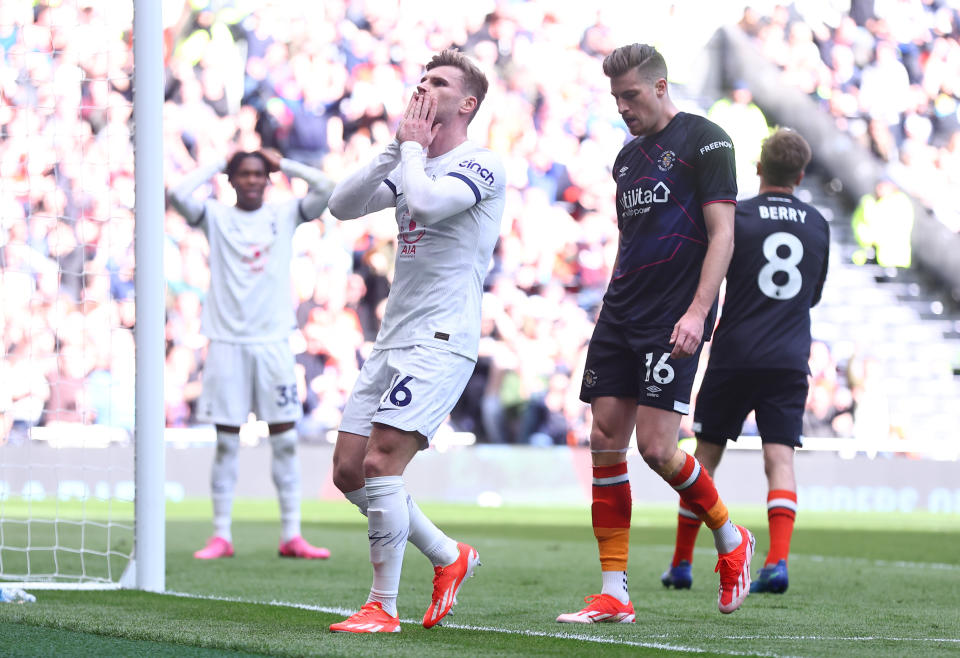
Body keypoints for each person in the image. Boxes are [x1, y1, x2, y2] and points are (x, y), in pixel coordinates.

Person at [556, 43, 754, 623]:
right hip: (621, 313)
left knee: (658, 448)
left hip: (673, 315)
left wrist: (698, 312)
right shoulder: (626, 159)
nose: (622, 107)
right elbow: (633, 242)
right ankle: (614, 591)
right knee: (604, 440)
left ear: (661, 86)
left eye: (632, 95)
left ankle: (730, 536)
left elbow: (722, 235)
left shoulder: (707, 141)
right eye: (616, 97)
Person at [325, 49, 505, 633]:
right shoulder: (410, 160)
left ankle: (382, 604)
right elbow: (341, 205)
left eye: (439, 81)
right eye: (422, 78)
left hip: (442, 337)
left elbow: (427, 201)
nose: (424, 86)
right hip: (393, 338)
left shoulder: (480, 165)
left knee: (381, 461)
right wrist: (394, 146)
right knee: (349, 470)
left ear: (467, 103)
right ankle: (450, 557)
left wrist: (410, 152)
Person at [661, 128, 829, 594]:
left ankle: (680, 564)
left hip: (735, 352)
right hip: (789, 356)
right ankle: (777, 562)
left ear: (759, 168)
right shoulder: (817, 222)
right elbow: (812, 295)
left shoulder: (740, 217)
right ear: (800, 173)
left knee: (705, 458)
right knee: (779, 459)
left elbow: (712, 271)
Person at [168, 147, 335, 560]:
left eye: (260, 173)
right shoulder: (215, 216)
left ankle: (291, 535)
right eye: (243, 173)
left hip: (274, 343)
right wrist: (215, 162)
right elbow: (176, 194)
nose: (253, 180)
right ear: (231, 178)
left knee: (284, 443)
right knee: (226, 443)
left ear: (269, 178)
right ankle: (221, 535)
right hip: (226, 344)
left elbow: (327, 189)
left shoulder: (285, 213)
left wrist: (286, 163)